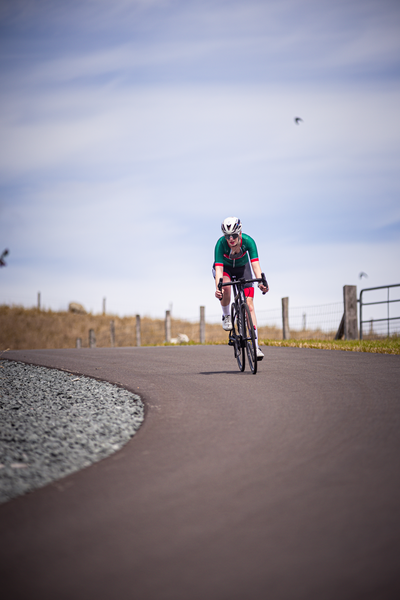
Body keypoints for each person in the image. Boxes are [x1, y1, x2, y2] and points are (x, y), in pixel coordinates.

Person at [213, 217, 268, 360]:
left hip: (243, 268)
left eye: (234, 235)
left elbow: (255, 266)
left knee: (249, 307)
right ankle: (226, 315)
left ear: (240, 233)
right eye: (227, 236)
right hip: (225, 269)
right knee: (226, 287)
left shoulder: (249, 242)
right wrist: (218, 287)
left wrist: (261, 282)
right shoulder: (220, 245)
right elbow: (218, 270)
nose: (230, 239)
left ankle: (255, 347)